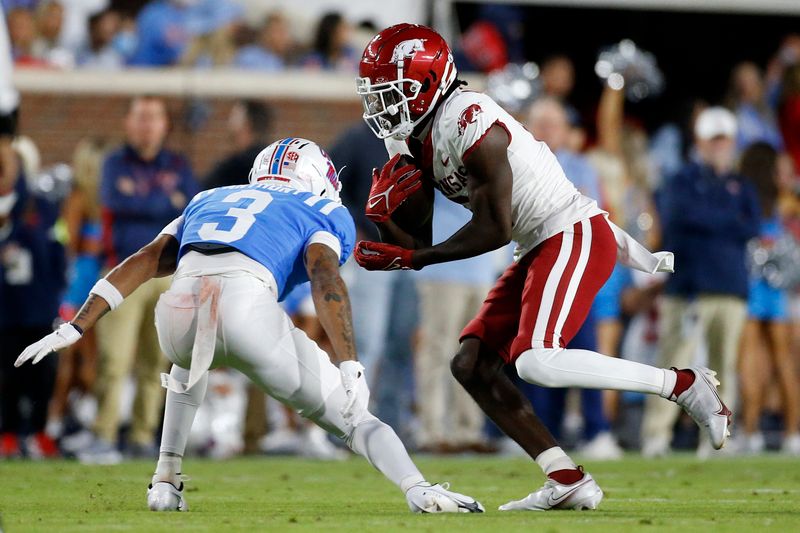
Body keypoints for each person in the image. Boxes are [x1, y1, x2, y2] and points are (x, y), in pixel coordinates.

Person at [354, 24, 731, 511]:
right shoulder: (407, 138)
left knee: (536, 359)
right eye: (376, 94)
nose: (382, 106)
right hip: (536, 244)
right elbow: (419, 241)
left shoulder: (471, 119)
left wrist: (413, 256)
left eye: (392, 92)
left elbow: (492, 227)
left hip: (572, 231)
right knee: (471, 364)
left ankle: (682, 384)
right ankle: (567, 477)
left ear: (426, 83)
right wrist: (387, 222)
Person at [15, 137, 484, 515]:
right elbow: (325, 276)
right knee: (353, 417)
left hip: (176, 310)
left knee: (185, 369)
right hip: (243, 307)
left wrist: (76, 326)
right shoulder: (322, 209)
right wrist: (350, 365)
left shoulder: (209, 197)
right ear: (315, 177)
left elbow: (143, 260)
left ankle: (165, 479)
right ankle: (419, 489)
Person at [78, 95, 199, 464]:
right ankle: (104, 432)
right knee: (114, 359)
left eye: (153, 118)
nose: (147, 126)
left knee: (156, 362)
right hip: (122, 273)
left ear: (165, 125)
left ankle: (143, 435)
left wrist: (145, 198)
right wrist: (163, 199)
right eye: (141, 118)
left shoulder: (179, 163)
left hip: (168, 276)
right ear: (128, 124)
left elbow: (190, 208)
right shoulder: (114, 162)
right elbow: (116, 201)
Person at [641, 107, 760, 458]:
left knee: (724, 367)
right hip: (688, 286)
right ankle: (656, 435)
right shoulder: (681, 179)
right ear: (701, 142)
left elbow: (751, 226)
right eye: (714, 139)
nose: (720, 146)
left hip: (729, 285)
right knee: (674, 364)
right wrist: (726, 219)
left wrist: (708, 219)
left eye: (725, 139)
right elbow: (680, 216)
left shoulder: (742, 184)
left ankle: (718, 439)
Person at [737, 142, 800, 455]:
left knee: (752, 360)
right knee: (783, 359)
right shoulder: (786, 202)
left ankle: (751, 432)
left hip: (750, 279)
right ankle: (792, 434)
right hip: (776, 284)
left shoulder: (744, 198)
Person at [1, 159, 66, 459]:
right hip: (7, 305)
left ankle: (38, 432)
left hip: (39, 304)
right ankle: (9, 433)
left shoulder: (42, 207)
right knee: (7, 374)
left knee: (43, 374)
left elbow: (56, 250)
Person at [203, 100, 272, 190]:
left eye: (234, 117)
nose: (229, 123)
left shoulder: (234, 167)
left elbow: (204, 190)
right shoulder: (270, 161)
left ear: (247, 124)